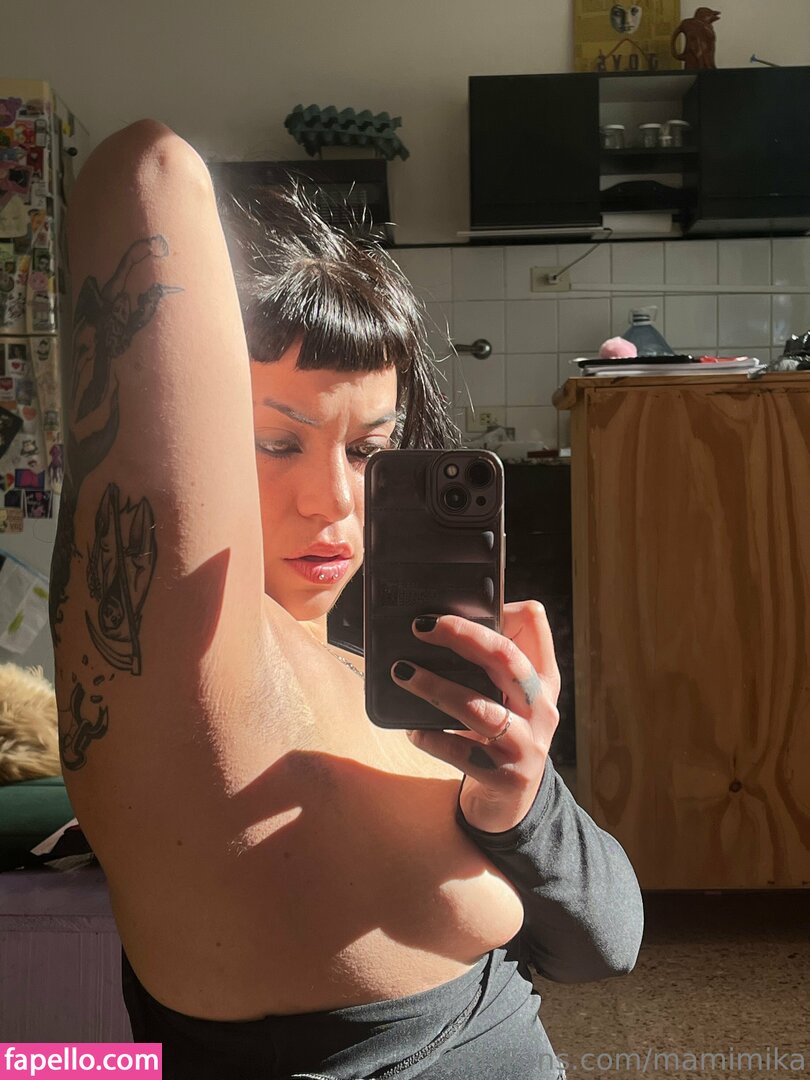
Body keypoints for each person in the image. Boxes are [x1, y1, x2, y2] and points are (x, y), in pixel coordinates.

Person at [50, 119, 644, 1080]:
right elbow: (145, 168)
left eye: (368, 450)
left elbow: (606, 945)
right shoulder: (186, 673)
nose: (334, 501)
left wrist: (522, 800)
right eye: (274, 442)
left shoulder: (394, 689)